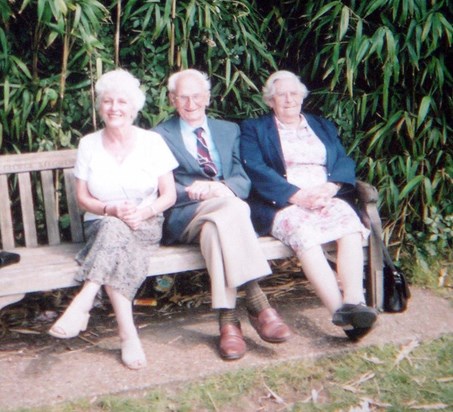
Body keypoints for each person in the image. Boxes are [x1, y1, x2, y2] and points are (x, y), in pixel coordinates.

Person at [152, 69, 291, 360]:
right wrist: (193, 190)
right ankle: (258, 302)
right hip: (183, 215)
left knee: (218, 227)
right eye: (183, 98)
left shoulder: (229, 130)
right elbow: (156, 186)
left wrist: (222, 188)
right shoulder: (158, 135)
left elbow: (242, 178)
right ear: (172, 100)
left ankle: (227, 322)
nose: (191, 103)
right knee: (235, 208)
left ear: (208, 98)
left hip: (222, 214)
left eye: (197, 96)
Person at [49, 69, 178, 369]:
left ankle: (85, 298)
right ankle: (127, 334)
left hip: (145, 223)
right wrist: (111, 210)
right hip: (102, 222)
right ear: (100, 106)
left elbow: (168, 195)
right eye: (108, 101)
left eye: (122, 101)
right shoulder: (88, 144)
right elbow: (83, 197)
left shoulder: (152, 142)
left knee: (117, 234)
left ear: (134, 107)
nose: (114, 108)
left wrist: (142, 212)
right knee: (112, 228)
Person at [240, 70, 378, 340]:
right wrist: (297, 196)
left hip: (326, 197)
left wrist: (330, 187)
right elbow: (254, 169)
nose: (289, 99)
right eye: (281, 95)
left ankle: (353, 303)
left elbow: (342, 161)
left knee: (349, 226)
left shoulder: (322, 125)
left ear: (302, 98)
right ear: (271, 101)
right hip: (284, 204)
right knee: (306, 237)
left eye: (294, 94)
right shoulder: (254, 129)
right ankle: (343, 316)